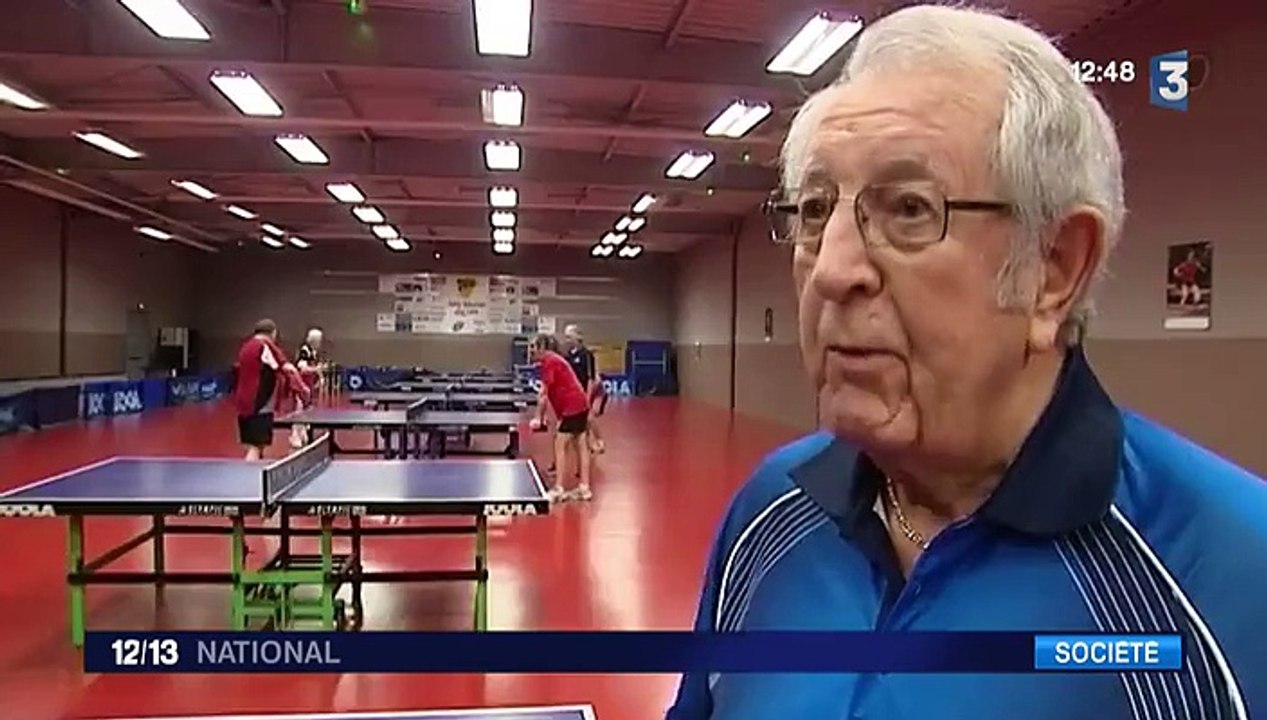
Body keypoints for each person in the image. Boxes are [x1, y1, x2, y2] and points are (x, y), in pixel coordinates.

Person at [667, 5, 1265, 720]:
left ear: (1053, 268)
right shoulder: (769, 510)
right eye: (816, 209)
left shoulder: (1234, 577)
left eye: (910, 210)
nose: (830, 269)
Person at [528, 333, 593, 502]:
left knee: (560, 444)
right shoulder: (554, 360)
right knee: (581, 444)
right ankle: (584, 488)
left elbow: (543, 394)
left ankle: (559, 489)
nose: (530, 350)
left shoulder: (549, 362)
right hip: (580, 405)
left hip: (573, 407)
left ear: (542, 347)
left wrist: (537, 418)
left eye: (533, 347)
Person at [232, 319, 306, 460]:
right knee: (256, 447)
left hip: (243, 403)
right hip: (260, 403)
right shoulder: (265, 346)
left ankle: (252, 474)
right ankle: (247, 476)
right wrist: (303, 388)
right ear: (273, 333)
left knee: (254, 445)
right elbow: (287, 368)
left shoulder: (246, 346)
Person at [563, 324, 606, 454]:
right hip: (575, 393)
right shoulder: (568, 355)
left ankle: (599, 441)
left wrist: (587, 397)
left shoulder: (586, 355)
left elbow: (591, 378)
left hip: (591, 390)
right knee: (580, 421)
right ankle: (588, 445)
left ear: (578, 337)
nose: (567, 340)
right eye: (566, 337)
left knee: (588, 417)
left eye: (569, 336)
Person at [289, 327, 325, 448]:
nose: (320, 342)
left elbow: (315, 367)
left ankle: (303, 432)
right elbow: (302, 368)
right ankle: (294, 436)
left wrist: (320, 378)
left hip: (309, 385)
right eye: (319, 340)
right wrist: (317, 369)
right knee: (298, 411)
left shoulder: (314, 352)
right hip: (300, 384)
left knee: (306, 410)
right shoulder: (305, 350)